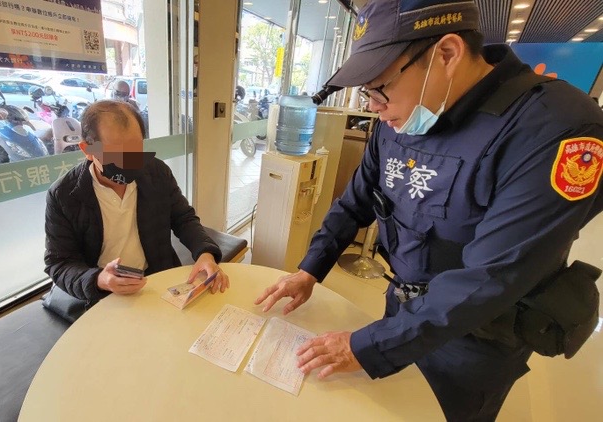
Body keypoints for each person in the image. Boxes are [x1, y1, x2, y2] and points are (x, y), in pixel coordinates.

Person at [255, 0, 603, 420]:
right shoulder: (400, 118)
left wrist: (367, 346)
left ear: (447, 54)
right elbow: (356, 200)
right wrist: (310, 269)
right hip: (401, 305)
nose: (372, 106)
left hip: (475, 337)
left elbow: (493, 276)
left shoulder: (553, 127)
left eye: (379, 87)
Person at [44, 100, 228, 317]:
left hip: (158, 280)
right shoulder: (64, 195)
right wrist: (100, 279)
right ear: (88, 150)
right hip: (103, 295)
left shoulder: (156, 173)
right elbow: (60, 263)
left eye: (135, 151)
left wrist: (205, 253)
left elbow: (183, 218)